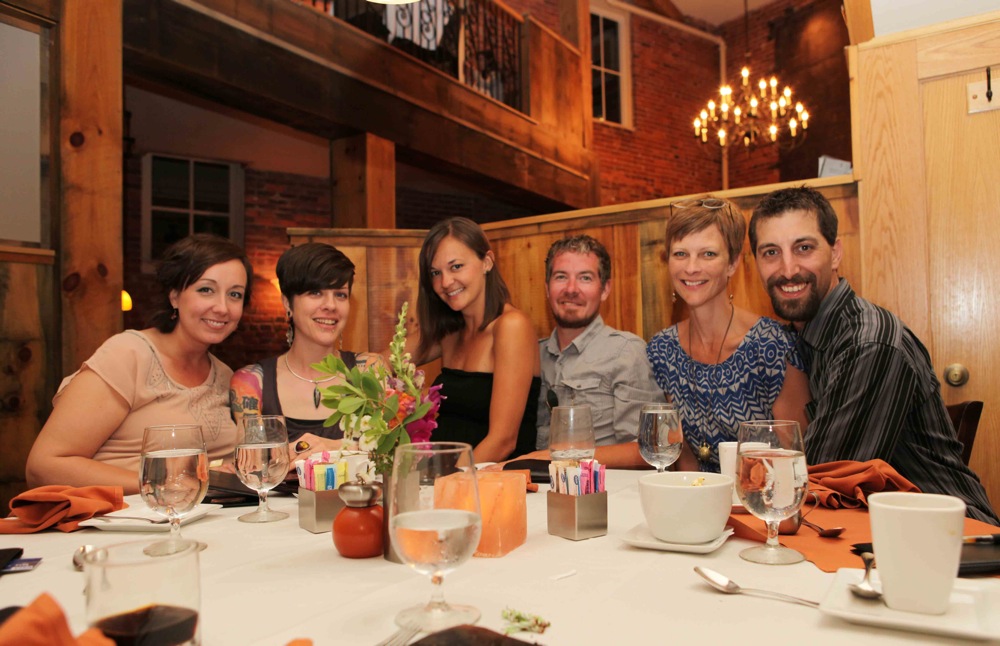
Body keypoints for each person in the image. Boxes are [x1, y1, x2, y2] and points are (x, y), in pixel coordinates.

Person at [749, 186, 999, 523]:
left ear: (835, 253)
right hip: (876, 528)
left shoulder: (868, 343)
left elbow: (820, 481)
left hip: (953, 538)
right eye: (771, 252)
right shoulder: (799, 339)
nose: (788, 269)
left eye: (804, 248)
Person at [26, 234, 251, 494]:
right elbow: (43, 467)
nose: (222, 307)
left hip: (196, 515)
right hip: (117, 515)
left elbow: (207, 470)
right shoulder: (128, 355)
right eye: (206, 290)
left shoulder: (223, 375)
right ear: (174, 296)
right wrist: (165, 484)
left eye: (235, 294)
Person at [647, 197, 810, 472]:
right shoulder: (662, 350)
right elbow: (682, 457)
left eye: (708, 254)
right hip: (695, 493)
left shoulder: (772, 346)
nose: (691, 267)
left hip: (766, 493)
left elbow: (797, 460)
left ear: (733, 263)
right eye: (680, 254)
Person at [525, 235, 664, 468]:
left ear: (605, 289)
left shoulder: (626, 352)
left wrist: (554, 458)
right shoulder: (531, 355)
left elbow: (648, 452)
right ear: (547, 288)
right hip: (534, 487)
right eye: (561, 277)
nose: (571, 289)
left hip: (606, 488)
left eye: (585, 278)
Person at [229, 243, 383, 450]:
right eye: (315, 292)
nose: (331, 305)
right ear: (287, 303)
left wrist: (331, 447)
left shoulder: (369, 369)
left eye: (340, 294)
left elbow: (388, 451)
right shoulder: (252, 382)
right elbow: (254, 462)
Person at [414, 217, 540, 463]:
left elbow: (503, 441)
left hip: (488, 479)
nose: (445, 282)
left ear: (487, 262)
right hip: (441, 472)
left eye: (456, 267)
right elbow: (386, 359)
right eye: (435, 273)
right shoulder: (449, 330)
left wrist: (447, 479)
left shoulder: (511, 326)